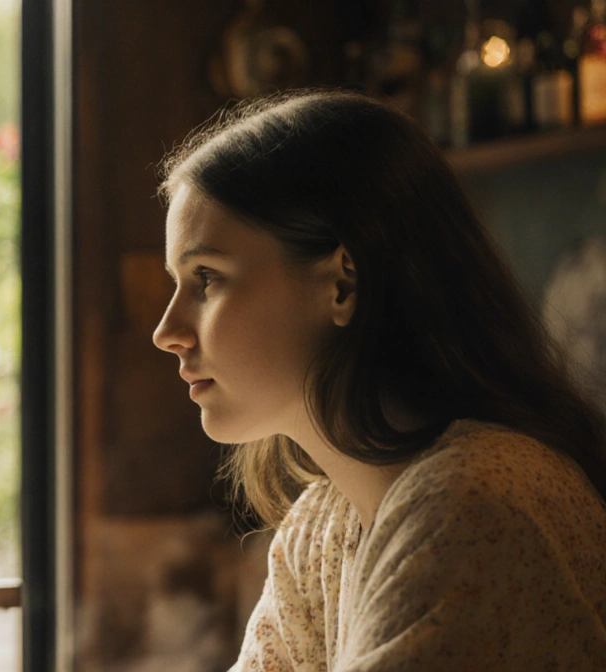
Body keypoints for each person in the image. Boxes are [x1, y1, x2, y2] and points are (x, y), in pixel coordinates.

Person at [152, 90, 606, 670]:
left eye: (206, 278)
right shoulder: (321, 531)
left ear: (342, 284)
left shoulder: (473, 499)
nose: (168, 331)